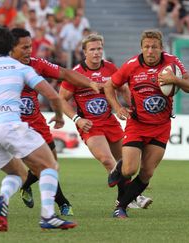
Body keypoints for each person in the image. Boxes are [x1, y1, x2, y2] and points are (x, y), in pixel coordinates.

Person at [0, 26, 77, 231]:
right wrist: (59, 116)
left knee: (17, 175)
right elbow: (53, 95)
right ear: (11, 46)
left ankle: (2, 199)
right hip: (10, 126)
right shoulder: (19, 67)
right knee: (50, 166)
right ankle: (48, 216)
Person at [105, 29, 189, 218]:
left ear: (161, 48)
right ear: (141, 48)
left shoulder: (171, 62)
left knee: (147, 172)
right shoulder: (131, 65)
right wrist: (117, 107)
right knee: (130, 169)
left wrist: (175, 80)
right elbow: (109, 86)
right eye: (146, 47)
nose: (150, 51)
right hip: (137, 124)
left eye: (154, 47)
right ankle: (121, 169)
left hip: (161, 126)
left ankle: (120, 207)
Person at [10, 27, 99, 216]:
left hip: (37, 122)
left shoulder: (36, 64)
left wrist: (89, 82)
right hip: (14, 126)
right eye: (24, 47)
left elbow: (65, 73)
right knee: (43, 166)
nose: (29, 51)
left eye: (30, 46)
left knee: (52, 165)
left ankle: (26, 187)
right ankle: (62, 204)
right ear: (12, 48)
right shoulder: (2, 69)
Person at [59, 33, 153, 210]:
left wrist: (132, 107)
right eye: (92, 49)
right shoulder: (75, 74)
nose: (96, 52)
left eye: (99, 48)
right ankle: (135, 196)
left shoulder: (110, 68)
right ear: (84, 52)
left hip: (110, 122)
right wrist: (77, 119)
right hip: (90, 125)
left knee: (124, 164)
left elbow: (124, 88)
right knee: (108, 160)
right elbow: (61, 99)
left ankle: (124, 198)